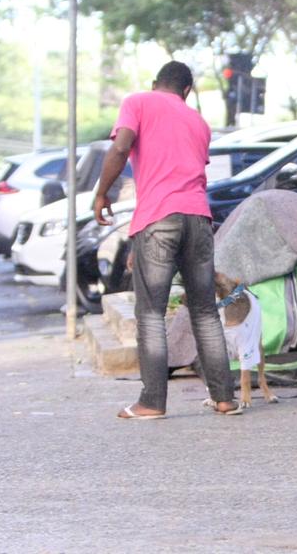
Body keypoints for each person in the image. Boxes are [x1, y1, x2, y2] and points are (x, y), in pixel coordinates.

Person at [93, 61, 242, 419]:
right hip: (199, 219)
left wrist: (101, 193)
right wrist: (137, 241)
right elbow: (185, 177)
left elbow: (120, 149)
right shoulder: (199, 122)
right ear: (186, 91)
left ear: (154, 83)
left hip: (159, 219)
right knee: (205, 311)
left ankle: (152, 401)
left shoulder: (138, 102)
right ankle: (224, 398)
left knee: (150, 314)